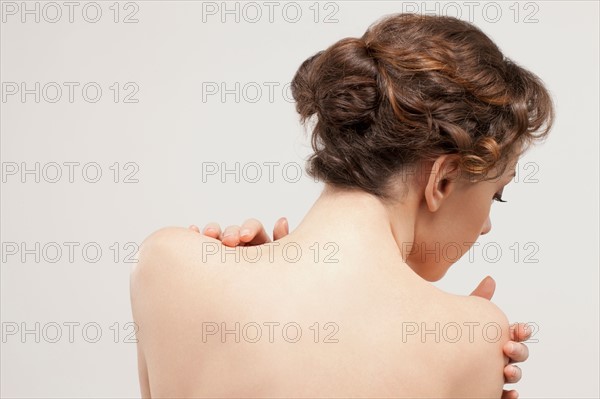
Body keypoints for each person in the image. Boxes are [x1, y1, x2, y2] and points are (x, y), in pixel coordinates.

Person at [130, 12, 553, 398]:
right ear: (442, 179)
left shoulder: (169, 265)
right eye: (496, 193)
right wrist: (466, 344)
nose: (486, 228)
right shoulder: (475, 338)